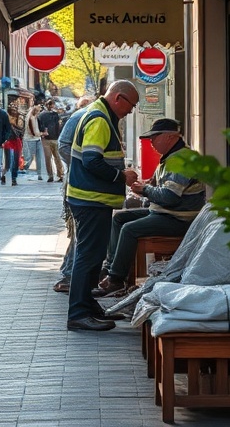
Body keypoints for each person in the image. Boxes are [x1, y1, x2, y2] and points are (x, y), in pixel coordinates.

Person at [93, 118, 205, 297]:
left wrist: (145, 189)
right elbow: (164, 191)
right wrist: (148, 189)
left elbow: (169, 197)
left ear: (170, 137)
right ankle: (110, 269)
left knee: (129, 229)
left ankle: (116, 280)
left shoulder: (183, 160)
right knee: (119, 218)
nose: (151, 141)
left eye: (155, 137)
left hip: (179, 218)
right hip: (167, 213)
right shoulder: (171, 158)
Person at [65, 80, 140, 331]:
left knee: (94, 256)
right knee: (88, 256)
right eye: (131, 106)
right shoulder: (99, 119)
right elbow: (91, 161)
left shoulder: (101, 115)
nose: (131, 111)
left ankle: (87, 306)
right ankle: (78, 312)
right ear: (119, 98)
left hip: (91, 198)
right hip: (90, 199)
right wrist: (122, 177)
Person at [51, 95, 93, 294]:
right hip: (78, 185)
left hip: (80, 183)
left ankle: (69, 272)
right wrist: (84, 168)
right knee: (79, 231)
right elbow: (63, 146)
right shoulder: (81, 117)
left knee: (78, 232)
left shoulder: (88, 118)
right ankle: (70, 275)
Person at [38, 100, 62, 182]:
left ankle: (53, 175)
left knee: (51, 158)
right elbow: (58, 126)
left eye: (51, 105)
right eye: (50, 105)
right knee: (55, 157)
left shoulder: (42, 115)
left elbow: (58, 125)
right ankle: (57, 175)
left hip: (49, 139)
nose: (51, 106)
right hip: (51, 139)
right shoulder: (52, 114)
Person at [23, 104, 45, 181]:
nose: (39, 113)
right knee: (32, 157)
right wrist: (42, 133)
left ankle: (39, 174)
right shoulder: (31, 118)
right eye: (38, 111)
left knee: (38, 156)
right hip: (31, 139)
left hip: (37, 139)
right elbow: (33, 132)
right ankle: (27, 170)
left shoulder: (35, 118)